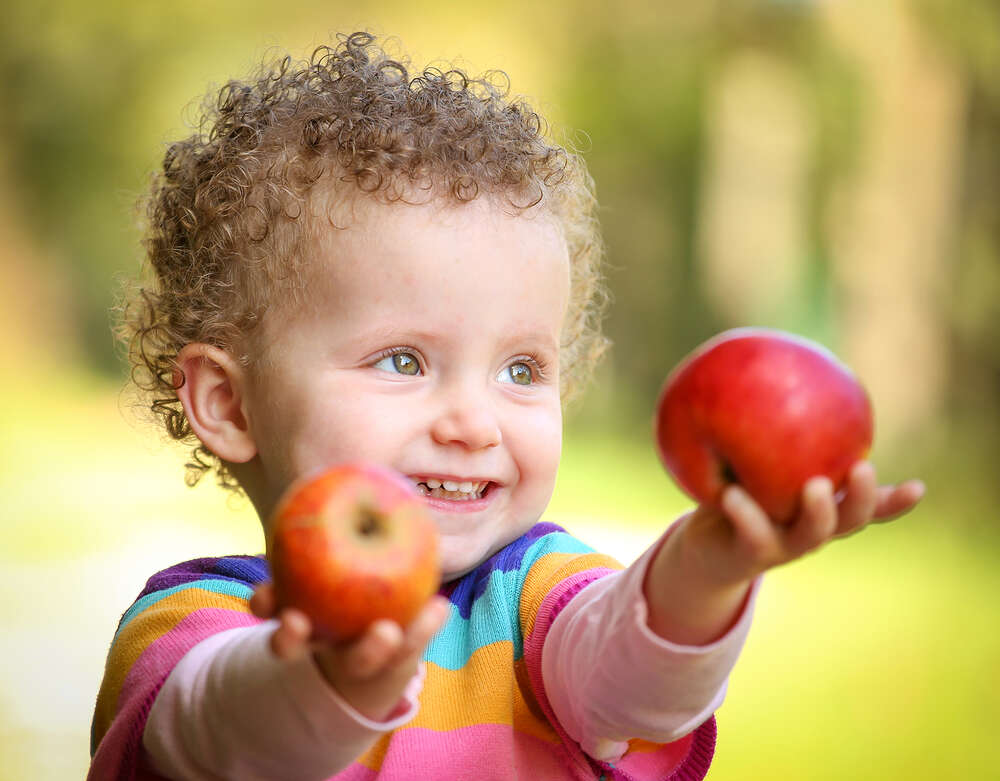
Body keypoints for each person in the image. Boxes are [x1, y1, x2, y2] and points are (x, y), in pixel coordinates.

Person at [89, 31, 925, 781]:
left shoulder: (535, 597)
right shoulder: (189, 627)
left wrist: (708, 568)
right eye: (405, 360)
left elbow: (625, 679)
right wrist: (323, 678)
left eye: (521, 370)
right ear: (230, 404)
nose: (475, 422)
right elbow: (221, 737)